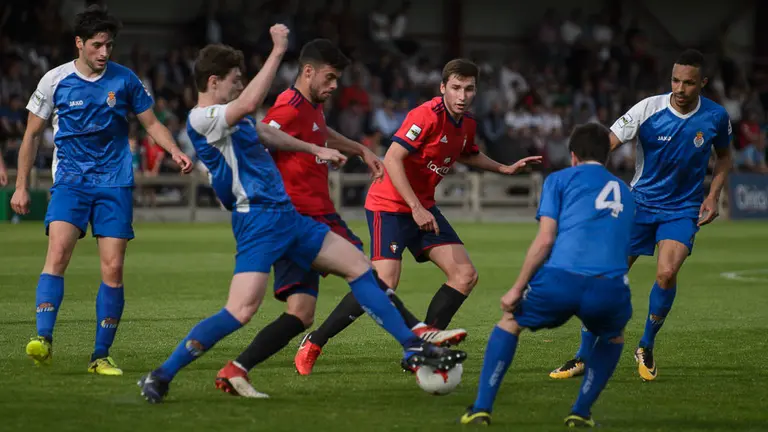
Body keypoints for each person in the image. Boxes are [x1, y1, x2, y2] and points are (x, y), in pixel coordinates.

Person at [138, 26, 465, 403]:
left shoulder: (235, 118)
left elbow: (268, 133)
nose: (239, 86)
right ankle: (162, 374)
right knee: (240, 310)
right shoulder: (202, 118)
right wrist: (278, 51)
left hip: (289, 217)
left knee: (360, 267)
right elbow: (247, 107)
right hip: (257, 221)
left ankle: (413, 345)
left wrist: (315, 149)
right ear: (214, 81)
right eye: (234, 80)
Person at [216, 39, 467, 385]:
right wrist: (303, 154)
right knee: (367, 273)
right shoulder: (288, 105)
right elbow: (263, 133)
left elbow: (319, 132)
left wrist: (357, 149)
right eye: (330, 78)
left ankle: (236, 370)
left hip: (308, 218)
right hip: (297, 220)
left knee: (300, 314)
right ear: (308, 72)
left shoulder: (310, 105)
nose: (335, 86)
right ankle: (417, 338)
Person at [295, 58, 541, 374]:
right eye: (455, 88)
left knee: (465, 275)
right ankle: (315, 341)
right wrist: (415, 206)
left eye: (468, 89)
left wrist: (504, 168)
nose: (462, 96)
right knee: (382, 282)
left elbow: (468, 152)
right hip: (390, 204)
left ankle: (423, 348)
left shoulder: (467, 124)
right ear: (443, 88)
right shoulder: (425, 115)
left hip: (421, 206)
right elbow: (394, 159)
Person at [10, 5, 193, 376]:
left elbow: (151, 123)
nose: (104, 53)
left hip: (115, 184)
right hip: (71, 183)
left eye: (109, 45)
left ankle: (100, 355)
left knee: (113, 268)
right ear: (79, 43)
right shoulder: (54, 80)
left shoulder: (126, 81)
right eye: (97, 45)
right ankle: (43, 340)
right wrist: (21, 186)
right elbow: (30, 135)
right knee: (58, 254)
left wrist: (174, 151)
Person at [550, 49, 732, 382]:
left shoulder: (716, 117)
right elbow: (609, 141)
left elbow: (724, 157)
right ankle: (581, 357)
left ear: (702, 83)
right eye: (675, 80)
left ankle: (645, 345)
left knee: (666, 274)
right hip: (640, 205)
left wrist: (714, 195)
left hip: (682, 209)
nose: (679, 88)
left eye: (689, 83)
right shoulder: (648, 109)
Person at [460, 123, 635, 427]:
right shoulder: (626, 192)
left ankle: (481, 408)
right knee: (614, 336)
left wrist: (517, 288)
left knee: (510, 322)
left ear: (573, 156)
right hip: (609, 285)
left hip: (561, 279)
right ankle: (580, 412)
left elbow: (545, 240)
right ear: (607, 156)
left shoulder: (559, 180)